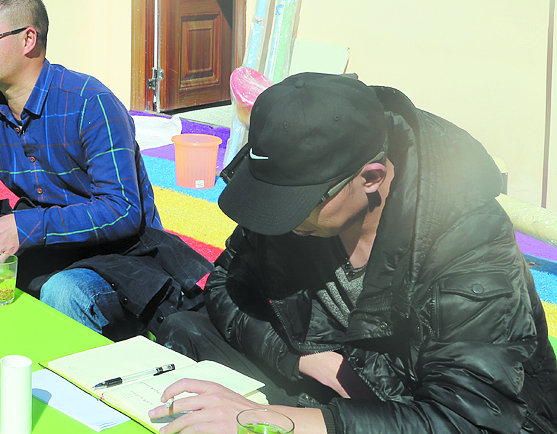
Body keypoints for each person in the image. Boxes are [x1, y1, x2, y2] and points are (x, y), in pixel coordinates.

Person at [153, 72, 557, 434]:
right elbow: (226, 283)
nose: (283, 220)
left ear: (371, 178)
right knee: (186, 329)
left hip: (432, 410)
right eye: (274, 198)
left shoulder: (468, 240)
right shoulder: (300, 193)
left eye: (299, 203)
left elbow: (473, 417)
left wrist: (278, 419)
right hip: (334, 382)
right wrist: (303, 359)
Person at [0, 0, 210, 338]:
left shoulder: (90, 103)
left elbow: (122, 210)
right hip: (49, 247)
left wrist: (26, 226)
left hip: (122, 256)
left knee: (63, 291)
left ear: (28, 39)